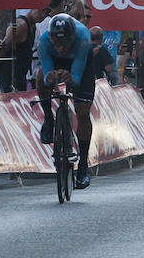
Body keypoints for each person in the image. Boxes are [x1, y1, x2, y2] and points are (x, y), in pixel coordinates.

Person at [37, 14, 95, 189]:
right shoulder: (44, 41)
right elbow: (47, 78)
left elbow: (76, 78)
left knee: (83, 111)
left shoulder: (83, 37)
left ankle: (83, 165)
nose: (61, 48)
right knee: (41, 76)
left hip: (80, 60)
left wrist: (70, 79)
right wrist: (51, 78)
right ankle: (48, 119)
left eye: (64, 43)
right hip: (55, 62)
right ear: (51, 39)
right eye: (57, 43)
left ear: (72, 37)